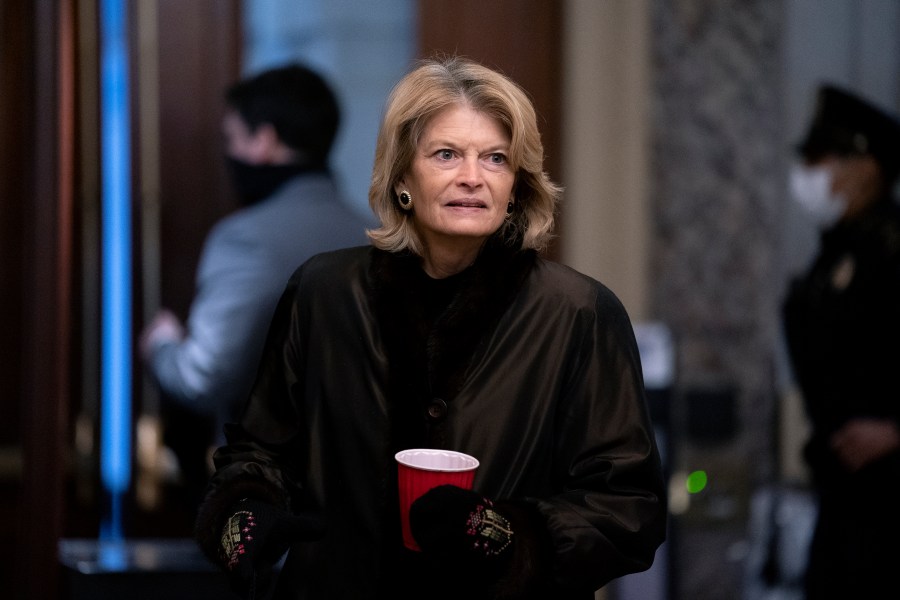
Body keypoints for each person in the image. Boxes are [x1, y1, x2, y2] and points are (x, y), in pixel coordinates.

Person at [194, 56, 667, 600]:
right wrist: (244, 520)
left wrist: (502, 536)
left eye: (495, 158)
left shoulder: (579, 312)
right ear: (401, 178)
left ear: (515, 186)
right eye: (446, 155)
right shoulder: (324, 292)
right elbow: (259, 452)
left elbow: (629, 508)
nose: (472, 177)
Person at [139, 64, 372, 505]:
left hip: (269, 508)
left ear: (264, 141)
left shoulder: (245, 238)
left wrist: (162, 344)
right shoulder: (373, 235)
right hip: (360, 503)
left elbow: (202, 378)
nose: (227, 154)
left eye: (231, 139)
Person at [783, 84, 900, 599]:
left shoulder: (892, 251)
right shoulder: (834, 254)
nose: (810, 174)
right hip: (842, 491)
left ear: (867, 167)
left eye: (821, 159)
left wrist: (898, 431)